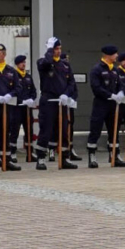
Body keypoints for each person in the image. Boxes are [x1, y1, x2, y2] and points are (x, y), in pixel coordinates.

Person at [35, 39, 79, 170]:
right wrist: (49, 51)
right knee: (46, 130)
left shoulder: (65, 65)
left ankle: (65, 157)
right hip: (48, 101)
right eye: (55, 49)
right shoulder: (43, 62)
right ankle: (41, 158)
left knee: (64, 131)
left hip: (62, 101)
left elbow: (71, 82)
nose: (58, 51)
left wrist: (67, 94)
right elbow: (47, 62)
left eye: (59, 48)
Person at [85, 45, 121, 169]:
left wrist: (121, 93)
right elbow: (96, 88)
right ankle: (92, 156)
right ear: (107, 55)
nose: (117, 56)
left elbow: (120, 85)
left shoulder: (115, 70)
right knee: (96, 129)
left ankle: (115, 155)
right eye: (115, 54)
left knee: (114, 130)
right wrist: (110, 94)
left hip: (113, 104)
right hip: (101, 104)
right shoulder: (97, 69)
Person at [6, 54, 36, 168]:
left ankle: (30, 152)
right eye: (21, 63)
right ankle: (12, 152)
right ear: (17, 64)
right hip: (17, 107)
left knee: (29, 129)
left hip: (27, 108)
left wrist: (31, 99)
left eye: (24, 62)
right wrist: (22, 100)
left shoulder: (28, 77)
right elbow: (13, 91)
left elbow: (33, 91)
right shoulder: (13, 75)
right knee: (15, 130)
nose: (24, 64)